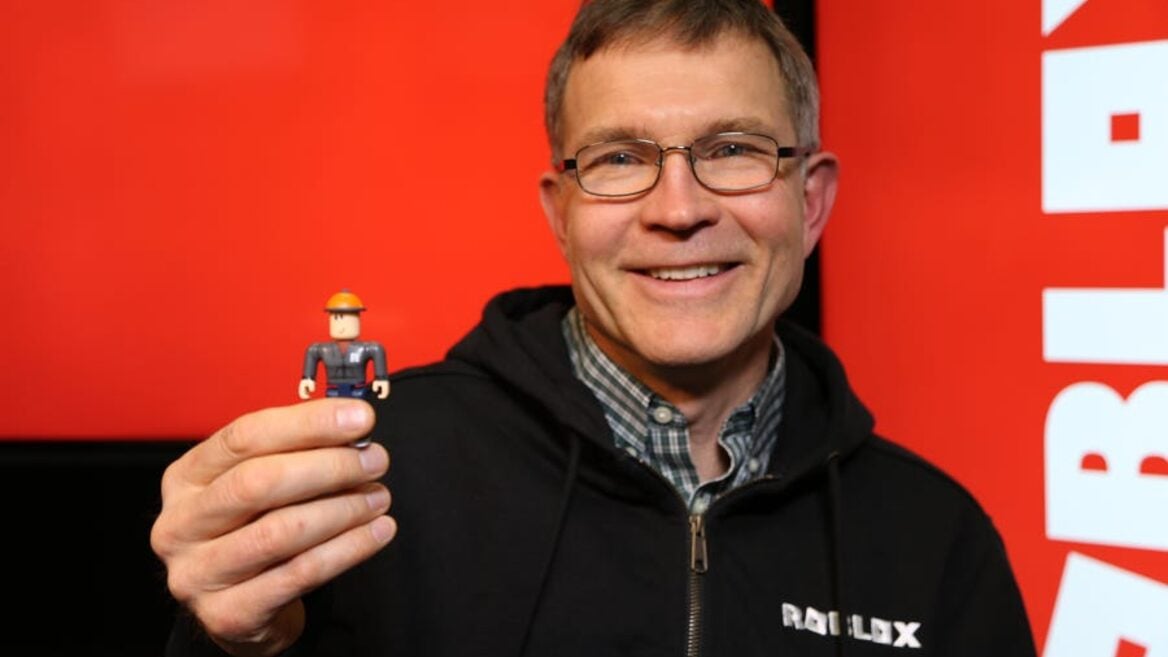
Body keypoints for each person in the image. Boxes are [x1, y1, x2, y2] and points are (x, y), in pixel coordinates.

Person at [151, 1, 1038, 655]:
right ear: (561, 213)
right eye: (620, 158)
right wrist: (230, 644)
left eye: (732, 149)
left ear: (810, 202)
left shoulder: (936, 540)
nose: (679, 210)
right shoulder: (371, 479)